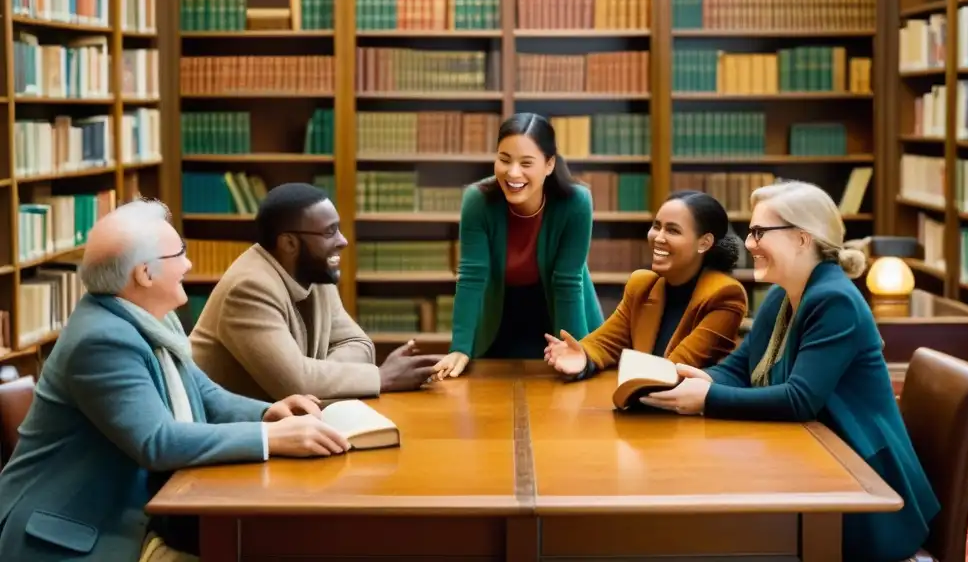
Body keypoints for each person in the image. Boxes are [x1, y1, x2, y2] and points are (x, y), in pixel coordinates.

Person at [0, 199, 350, 562]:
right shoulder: (101, 341)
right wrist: (271, 439)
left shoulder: (148, 315)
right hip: (73, 536)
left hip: (141, 514)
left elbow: (203, 393)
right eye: (179, 254)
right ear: (145, 275)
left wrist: (269, 414)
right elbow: (157, 440)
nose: (189, 263)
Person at [641, 180, 939, 562]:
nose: (748, 244)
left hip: (862, 489)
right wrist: (695, 379)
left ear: (802, 239)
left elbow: (800, 399)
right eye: (750, 233)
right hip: (808, 464)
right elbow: (739, 367)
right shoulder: (784, 293)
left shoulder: (835, 301)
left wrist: (707, 399)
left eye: (759, 233)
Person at [191, 183, 441, 401]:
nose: (343, 241)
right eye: (329, 231)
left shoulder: (313, 272)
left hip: (285, 419)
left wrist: (316, 374)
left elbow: (359, 345)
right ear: (289, 243)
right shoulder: (248, 289)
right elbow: (295, 385)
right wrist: (381, 377)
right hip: (228, 430)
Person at [432, 113, 605, 378]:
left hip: (558, 314)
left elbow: (568, 281)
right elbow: (471, 277)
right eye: (504, 160)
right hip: (499, 317)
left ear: (549, 164)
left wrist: (577, 353)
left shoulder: (576, 202)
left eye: (526, 163)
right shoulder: (478, 201)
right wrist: (460, 348)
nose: (513, 173)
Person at [544, 190, 747, 378]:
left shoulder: (724, 294)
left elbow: (677, 368)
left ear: (704, 243)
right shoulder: (643, 284)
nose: (658, 238)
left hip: (691, 412)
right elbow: (606, 342)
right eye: (656, 226)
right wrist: (582, 356)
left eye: (673, 231)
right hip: (645, 405)